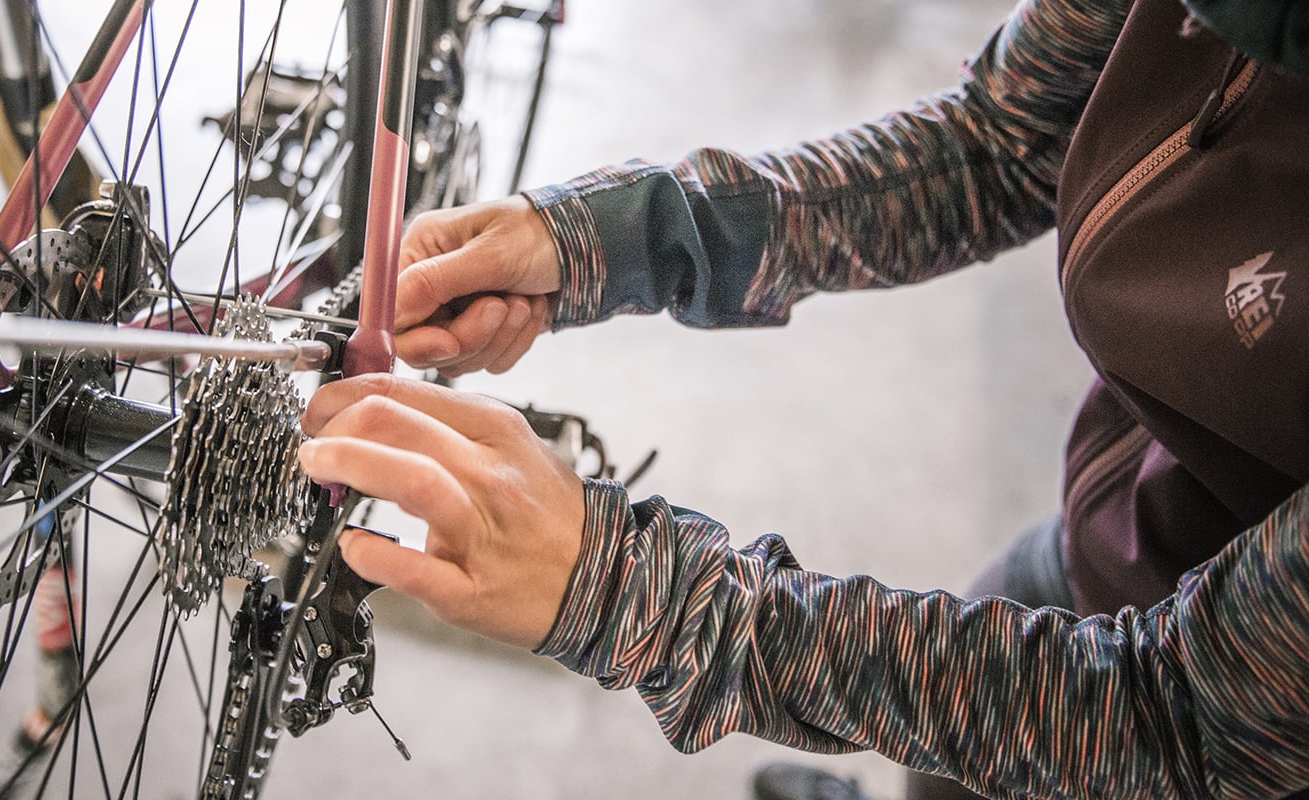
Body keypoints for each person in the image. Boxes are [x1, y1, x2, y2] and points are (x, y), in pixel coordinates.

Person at [297, 0, 1309, 797]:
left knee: (1032, 736)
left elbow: (1177, 716)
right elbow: (998, 142)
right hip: (1136, 510)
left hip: (1228, 708)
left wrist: (640, 593)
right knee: (968, 735)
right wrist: (606, 238)